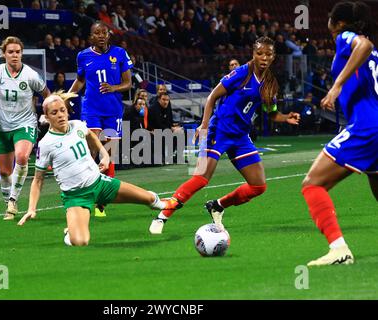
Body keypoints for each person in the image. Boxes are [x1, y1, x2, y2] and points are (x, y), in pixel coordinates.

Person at [149, 36, 301, 234]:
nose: (264, 57)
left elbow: (271, 113)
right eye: (259, 53)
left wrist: (285, 117)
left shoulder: (270, 83)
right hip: (218, 130)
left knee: (258, 186)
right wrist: (204, 124)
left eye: (268, 54)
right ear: (253, 54)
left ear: (274, 57)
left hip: (240, 137)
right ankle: (163, 215)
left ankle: (217, 206)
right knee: (201, 178)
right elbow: (212, 96)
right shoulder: (241, 73)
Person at [17, 92, 174, 246]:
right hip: (76, 197)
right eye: (54, 112)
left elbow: (91, 136)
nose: (60, 115)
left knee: (150, 200)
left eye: (62, 110)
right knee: (81, 241)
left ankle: (160, 205)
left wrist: (104, 154)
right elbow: (38, 180)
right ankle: (70, 231)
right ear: (47, 116)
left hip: (100, 184)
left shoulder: (77, 125)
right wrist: (31, 208)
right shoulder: (46, 144)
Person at [301, 1, 378, 266]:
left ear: (339, 23)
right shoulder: (375, 54)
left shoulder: (346, 38)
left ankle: (339, 249)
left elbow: (363, 45)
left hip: (367, 127)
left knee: (312, 184)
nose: (328, 22)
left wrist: (336, 86)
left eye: (331, 18)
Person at [0, 36, 50, 220]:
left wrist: (47, 112)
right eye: (10, 52)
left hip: (25, 124)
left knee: (22, 156)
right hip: (2, 126)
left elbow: (46, 93)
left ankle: (13, 200)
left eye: (17, 52)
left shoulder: (30, 74)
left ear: (21, 54)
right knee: (4, 172)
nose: (14, 55)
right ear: (3, 54)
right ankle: (8, 200)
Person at [68, 22, 133, 217]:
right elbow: (80, 80)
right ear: (91, 37)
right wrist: (67, 97)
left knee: (109, 153)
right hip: (92, 109)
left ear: (108, 35)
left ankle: (102, 200)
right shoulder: (83, 56)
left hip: (113, 110)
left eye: (104, 32)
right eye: (97, 33)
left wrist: (114, 88)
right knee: (92, 148)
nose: (102, 36)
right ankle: (84, 192)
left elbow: (128, 83)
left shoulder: (120, 53)